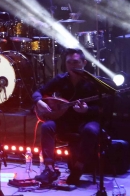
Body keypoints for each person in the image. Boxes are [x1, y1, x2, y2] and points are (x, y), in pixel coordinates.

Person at [32, 48, 101, 186]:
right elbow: (38, 92)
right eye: (69, 62)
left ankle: (78, 168)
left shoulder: (93, 82)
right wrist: (39, 102)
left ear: (84, 63)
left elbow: (102, 108)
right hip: (66, 120)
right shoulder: (61, 79)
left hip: (87, 119)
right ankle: (49, 169)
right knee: (47, 126)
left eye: (75, 62)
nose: (72, 66)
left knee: (91, 130)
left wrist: (87, 110)